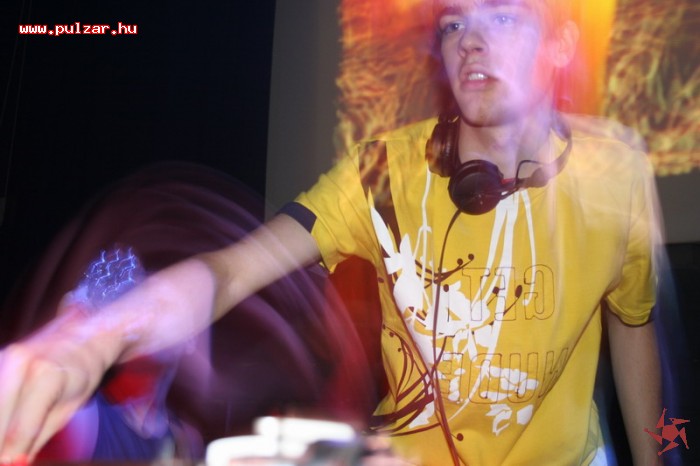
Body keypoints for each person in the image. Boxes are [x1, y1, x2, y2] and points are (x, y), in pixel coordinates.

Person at [0, 0, 664, 464]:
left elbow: (632, 323)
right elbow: (229, 272)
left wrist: (659, 455)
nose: (469, 40)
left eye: (504, 15)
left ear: (560, 44)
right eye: (454, 21)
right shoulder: (381, 175)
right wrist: (94, 336)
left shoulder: (619, 177)